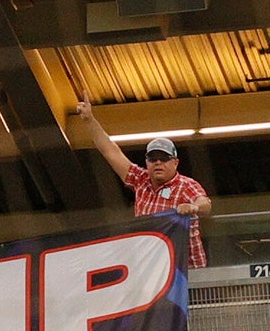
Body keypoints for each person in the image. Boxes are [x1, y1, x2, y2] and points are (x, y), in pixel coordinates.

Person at [75, 101, 212, 268]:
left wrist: (193, 207)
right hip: (153, 270)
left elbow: (205, 204)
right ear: (147, 162)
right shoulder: (140, 179)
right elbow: (110, 151)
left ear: (175, 163)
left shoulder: (185, 185)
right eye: (153, 159)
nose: (158, 163)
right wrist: (89, 119)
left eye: (164, 158)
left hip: (188, 270)